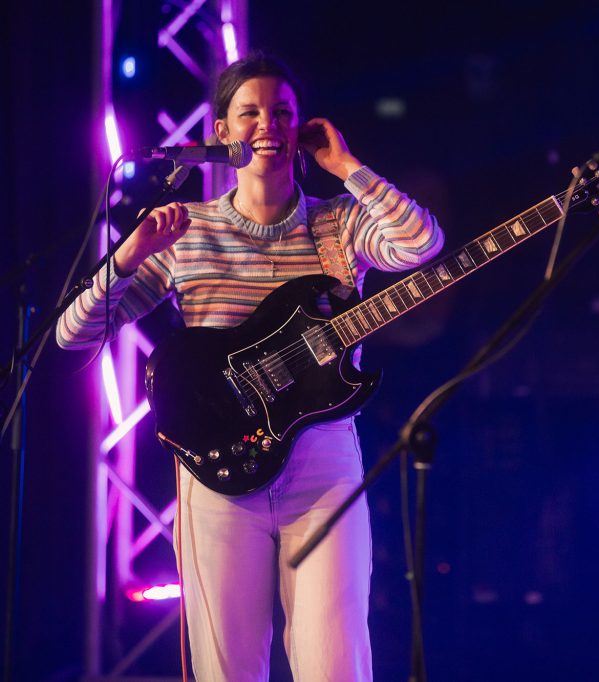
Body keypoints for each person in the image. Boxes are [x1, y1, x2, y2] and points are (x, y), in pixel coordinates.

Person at [57, 52, 444, 680]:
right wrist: (126, 257)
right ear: (221, 131)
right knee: (227, 668)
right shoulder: (188, 230)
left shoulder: (338, 222)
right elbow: (74, 334)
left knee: (335, 662)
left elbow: (422, 244)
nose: (268, 125)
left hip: (322, 464)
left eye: (282, 112)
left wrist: (346, 168)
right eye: (251, 113)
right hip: (218, 466)